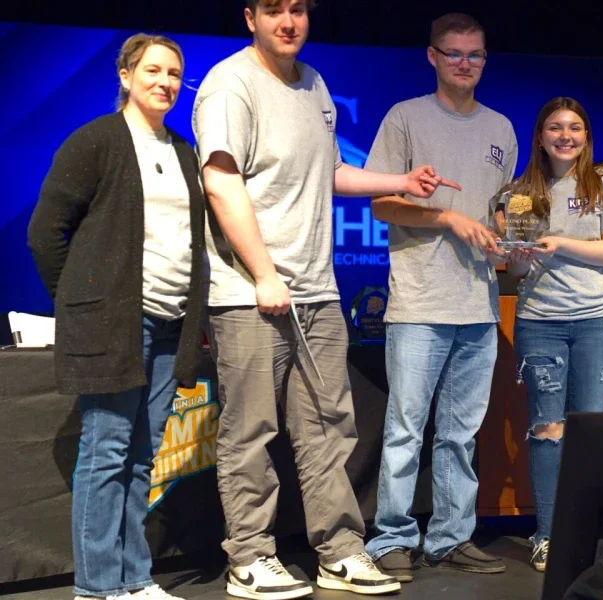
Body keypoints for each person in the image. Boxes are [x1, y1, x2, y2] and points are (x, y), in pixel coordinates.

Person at [192, 1, 458, 598]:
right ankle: (250, 558)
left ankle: (339, 551)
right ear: (250, 17)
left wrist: (399, 182)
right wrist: (262, 272)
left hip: (317, 291)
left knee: (327, 430)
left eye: (297, 10)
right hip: (251, 294)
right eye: (274, 10)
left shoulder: (313, 83)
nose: (288, 21)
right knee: (251, 431)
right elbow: (220, 179)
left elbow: (331, 170)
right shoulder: (231, 83)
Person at [27, 33, 204, 600]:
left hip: (171, 323)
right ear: (126, 76)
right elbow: (44, 234)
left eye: (174, 73)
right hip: (114, 326)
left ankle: (134, 577)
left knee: (142, 457)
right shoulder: (96, 141)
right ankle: (98, 586)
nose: (165, 82)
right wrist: (82, 305)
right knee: (106, 452)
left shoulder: (183, 151)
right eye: (153, 70)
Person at [362, 13, 516, 581]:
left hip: (478, 301)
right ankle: (391, 539)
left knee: (461, 432)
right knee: (406, 428)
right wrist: (446, 216)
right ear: (432, 56)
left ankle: (451, 537)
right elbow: (381, 203)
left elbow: (499, 211)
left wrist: (508, 242)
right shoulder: (405, 118)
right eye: (453, 53)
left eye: (474, 54)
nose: (464, 63)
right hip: (421, 301)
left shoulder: (501, 128)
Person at [501, 97, 603, 573]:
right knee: (547, 430)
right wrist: (518, 254)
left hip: (595, 322)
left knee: (589, 430)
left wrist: (559, 244)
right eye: (555, 128)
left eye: (575, 127)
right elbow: (516, 269)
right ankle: (547, 535)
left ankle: (588, 534)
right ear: (539, 136)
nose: (565, 136)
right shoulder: (520, 193)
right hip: (539, 322)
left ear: (586, 135)